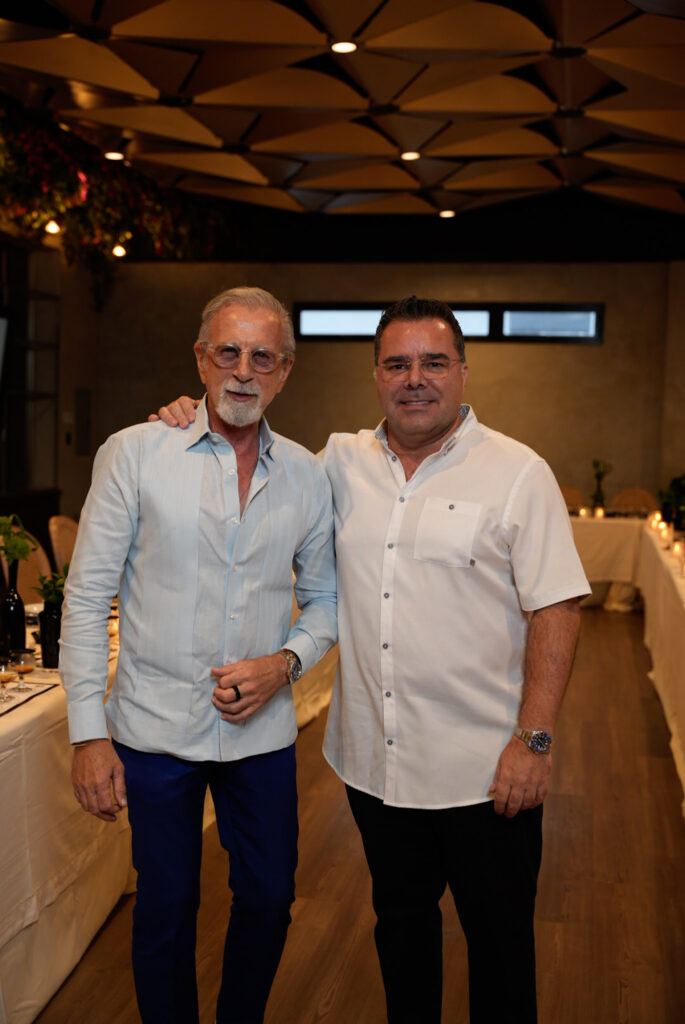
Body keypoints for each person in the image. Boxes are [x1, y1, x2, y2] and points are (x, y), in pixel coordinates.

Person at [154, 295, 590, 1024]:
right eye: (397, 364)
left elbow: (557, 608)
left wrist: (534, 740)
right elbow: (252, 456)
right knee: (402, 934)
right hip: (376, 769)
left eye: (433, 363)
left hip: (486, 771)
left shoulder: (517, 473)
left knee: (501, 949)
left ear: (463, 371)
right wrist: (189, 416)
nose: (414, 379)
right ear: (376, 375)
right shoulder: (337, 464)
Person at [59, 286, 337, 1024]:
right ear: (200, 359)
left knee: (270, 897)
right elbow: (85, 599)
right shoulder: (135, 453)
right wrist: (88, 735)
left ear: (285, 371)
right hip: (153, 729)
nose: (243, 371)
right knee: (166, 905)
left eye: (263, 357)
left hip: (261, 735)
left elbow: (327, 600)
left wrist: (284, 663)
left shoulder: (307, 474)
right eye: (228, 352)